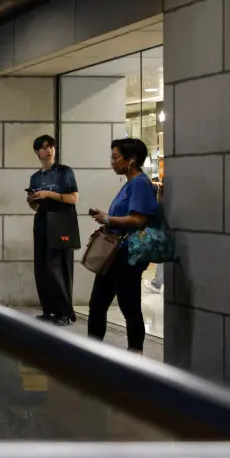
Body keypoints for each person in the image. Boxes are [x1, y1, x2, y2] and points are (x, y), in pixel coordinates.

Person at [87, 138, 158, 354]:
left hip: (127, 256)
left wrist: (108, 220)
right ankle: (91, 350)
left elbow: (139, 220)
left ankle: (134, 353)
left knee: (129, 307)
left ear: (132, 159)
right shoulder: (130, 183)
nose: (113, 162)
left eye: (116, 157)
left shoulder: (140, 183)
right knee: (98, 303)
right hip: (113, 254)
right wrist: (106, 226)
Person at [26, 134, 80, 326]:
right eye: (44, 147)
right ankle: (49, 310)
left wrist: (49, 194)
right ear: (37, 151)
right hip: (42, 220)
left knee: (59, 267)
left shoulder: (64, 172)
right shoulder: (35, 177)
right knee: (42, 266)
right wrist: (32, 200)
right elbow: (34, 207)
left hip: (61, 221)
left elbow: (73, 198)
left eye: (51, 146)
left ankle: (64, 312)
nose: (49, 150)